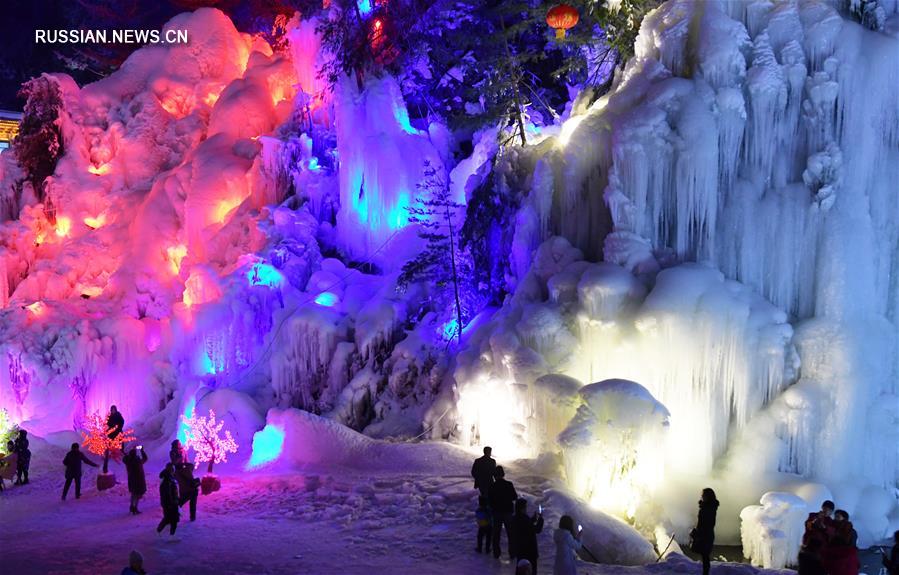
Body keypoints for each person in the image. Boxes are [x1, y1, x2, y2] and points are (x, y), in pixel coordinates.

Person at [488, 465, 518, 559]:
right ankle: (512, 553)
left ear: (494, 475)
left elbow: (489, 500)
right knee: (511, 533)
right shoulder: (509, 484)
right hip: (508, 511)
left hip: (496, 512)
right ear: (503, 474)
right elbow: (514, 497)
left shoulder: (492, 486)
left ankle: (496, 553)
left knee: (496, 533)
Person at [510, 498, 544, 574]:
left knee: (520, 568)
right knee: (531, 569)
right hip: (529, 550)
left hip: (520, 549)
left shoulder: (515, 518)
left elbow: (525, 527)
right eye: (525, 507)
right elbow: (537, 529)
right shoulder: (525, 519)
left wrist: (532, 520)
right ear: (522, 508)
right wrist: (541, 519)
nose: (526, 509)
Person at [690, 488, 718, 575]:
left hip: (705, 535)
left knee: (705, 556)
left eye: (703, 495)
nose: (701, 496)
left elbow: (704, 523)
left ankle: (705, 573)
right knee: (705, 556)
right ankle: (705, 573)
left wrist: (697, 532)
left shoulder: (707, 508)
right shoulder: (710, 507)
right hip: (707, 534)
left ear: (708, 496)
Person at [822, 510, 859, 575]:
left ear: (845, 518)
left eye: (838, 517)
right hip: (833, 561)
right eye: (835, 516)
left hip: (844, 561)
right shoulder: (830, 528)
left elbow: (851, 547)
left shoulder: (850, 531)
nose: (835, 519)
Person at [157, 463, 180, 536]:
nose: (173, 471)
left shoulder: (170, 479)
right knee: (172, 519)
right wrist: (172, 503)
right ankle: (171, 535)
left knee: (170, 518)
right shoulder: (167, 481)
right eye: (172, 469)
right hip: (170, 503)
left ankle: (161, 531)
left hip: (171, 502)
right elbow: (167, 493)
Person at [123, 445, 148, 515]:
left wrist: (127, 455)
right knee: (138, 494)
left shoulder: (128, 461)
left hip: (131, 479)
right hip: (139, 480)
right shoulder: (137, 461)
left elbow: (124, 458)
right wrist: (142, 451)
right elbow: (145, 458)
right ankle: (135, 507)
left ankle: (132, 506)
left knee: (133, 493)